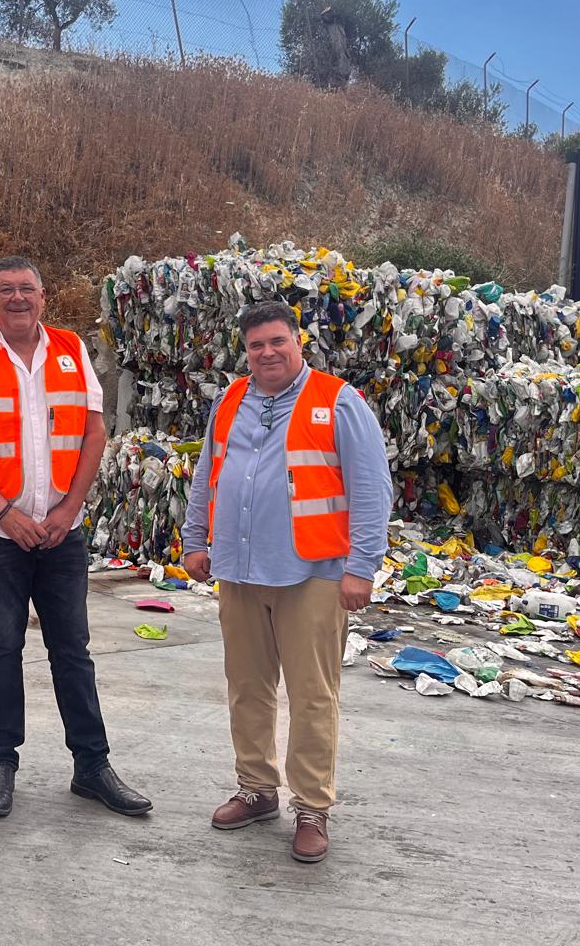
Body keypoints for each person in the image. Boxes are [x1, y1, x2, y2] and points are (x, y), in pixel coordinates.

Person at [0, 255, 150, 819]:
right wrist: (6, 515)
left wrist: (70, 508)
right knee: (2, 647)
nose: (16, 298)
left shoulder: (71, 351)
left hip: (63, 532)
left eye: (26, 289)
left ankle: (92, 766)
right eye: (4, 290)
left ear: (43, 296)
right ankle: (1, 764)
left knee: (72, 650)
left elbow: (94, 431)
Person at [180, 301, 391, 865]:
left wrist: (361, 567)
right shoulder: (230, 401)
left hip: (314, 574)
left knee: (312, 696)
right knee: (246, 686)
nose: (267, 353)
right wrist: (195, 539)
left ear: (298, 343)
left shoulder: (338, 401)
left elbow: (372, 490)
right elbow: (208, 472)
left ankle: (312, 808)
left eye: (277, 342)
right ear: (245, 351)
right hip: (240, 569)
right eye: (256, 346)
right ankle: (256, 790)